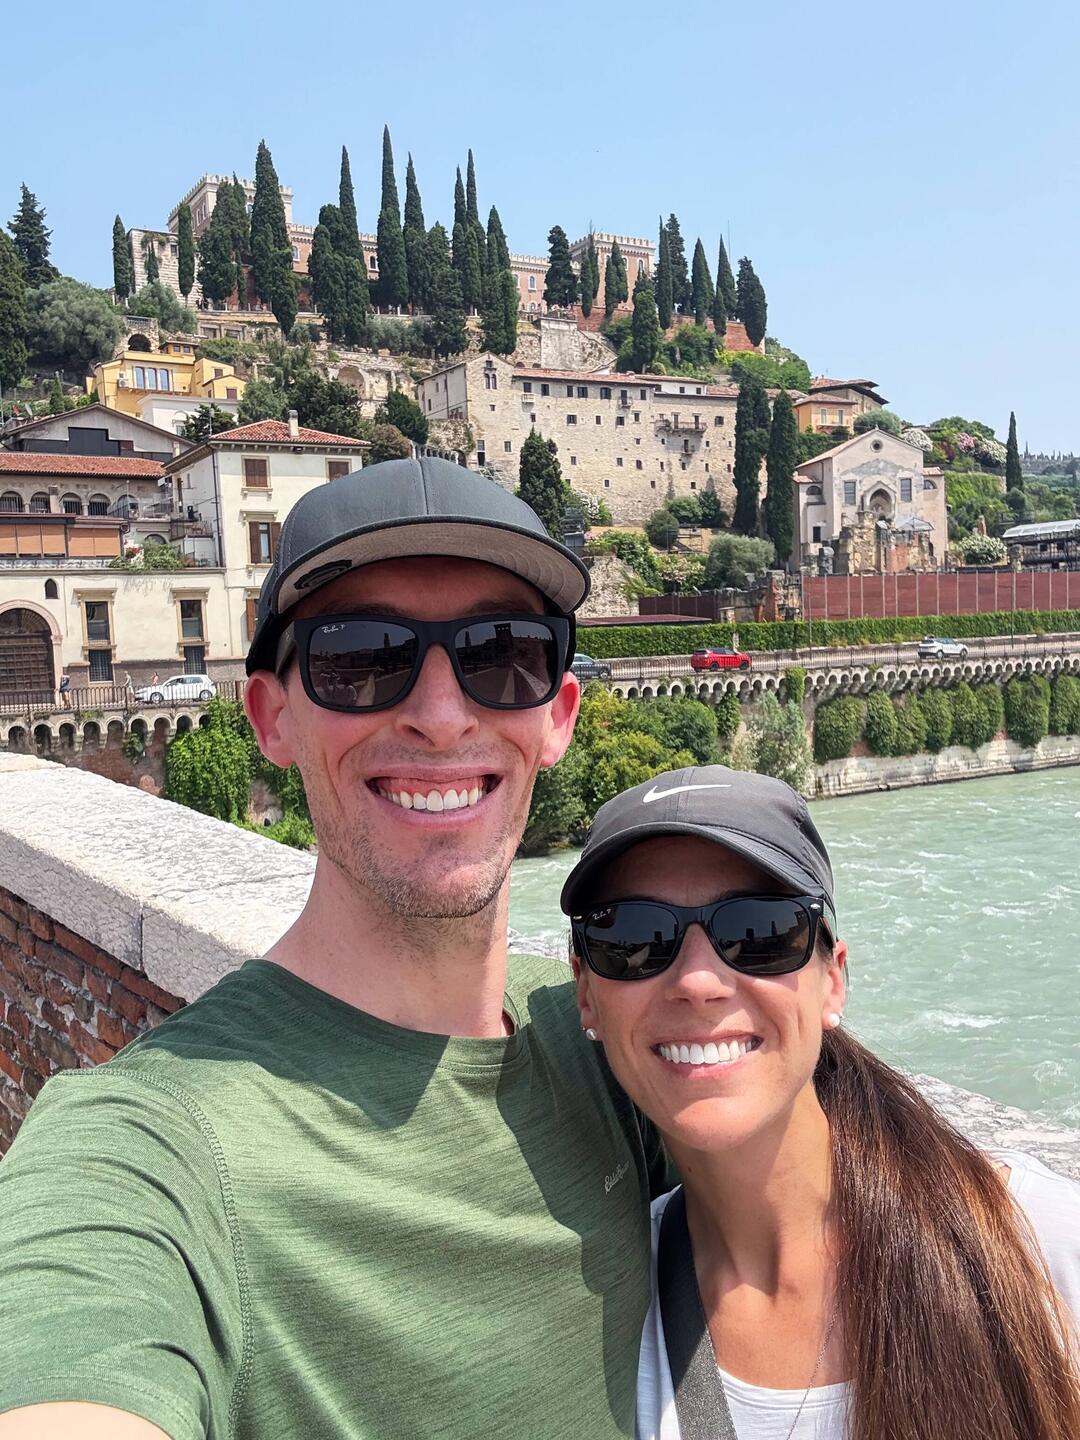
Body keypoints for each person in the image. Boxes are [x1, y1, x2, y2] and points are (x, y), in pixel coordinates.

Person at [0, 457, 669, 1440]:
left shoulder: (614, 1032)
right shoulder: (148, 1144)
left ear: (557, 715)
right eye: (361, 658)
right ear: (272, 716)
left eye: (503, 655)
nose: (442, 717)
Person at [563, 764, 1080, 1440]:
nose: (697, 981)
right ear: (584, 994)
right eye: (631, 940)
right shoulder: (607, 1313)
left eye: (758, 932)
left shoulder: (1038, 1247)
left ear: (832, 980)